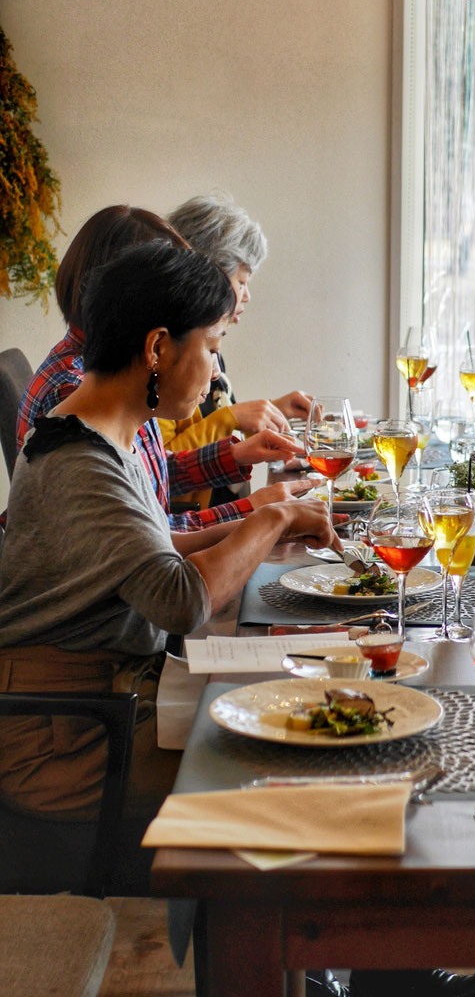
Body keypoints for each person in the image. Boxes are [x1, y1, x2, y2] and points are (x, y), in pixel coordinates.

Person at [0, 242, 334, 895]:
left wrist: (266, 516)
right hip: (68, 740)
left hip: (116, 702)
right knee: (297, 761)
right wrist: (267, 521)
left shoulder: (98, 432)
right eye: (211, 347)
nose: (215, 373)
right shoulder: (80, 463)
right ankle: (290, 972)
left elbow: (156, 545)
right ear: (157, 348)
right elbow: (181, 600)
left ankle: (316, 976)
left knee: (308, 704)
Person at [15, 205, 318, 532]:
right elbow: (152, 541)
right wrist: (252, 512)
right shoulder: (80, 393)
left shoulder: (119, 374)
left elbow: (148, 474)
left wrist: (235, 456)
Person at [164, 193, 313, 461]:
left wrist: (268, 411)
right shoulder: (167, 352)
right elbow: (163, 466)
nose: (246, 296)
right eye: (241, 282)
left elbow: (212, 429)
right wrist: (232, 418)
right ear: (209, 275)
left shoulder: (207, 346)